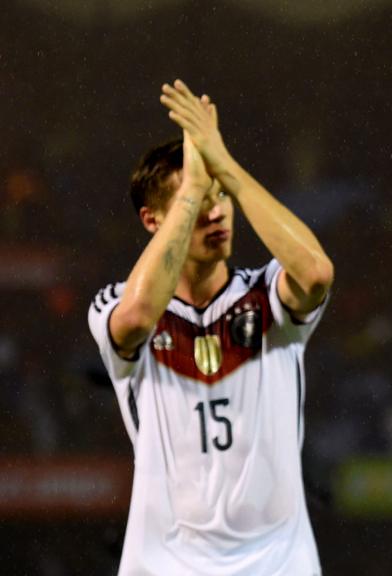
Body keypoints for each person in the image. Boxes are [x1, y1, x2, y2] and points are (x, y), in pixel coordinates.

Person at [87, 80, 334, 574]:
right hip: (165, 564)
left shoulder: (266, 295)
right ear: (152, 220)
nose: (216, 210)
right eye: (199, 202)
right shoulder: (116, 302)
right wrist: (194, 186)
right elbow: (135, 320)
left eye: (221, 197)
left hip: (277, 562)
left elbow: (316, 273)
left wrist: (226, 169)